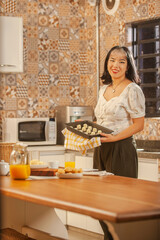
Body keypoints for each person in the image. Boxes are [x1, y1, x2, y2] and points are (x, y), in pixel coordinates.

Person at [93, 46, 145, 240]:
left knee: (119, 205)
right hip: (101, 149)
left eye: (122, 61)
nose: (115, 65)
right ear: (107, 62)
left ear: (128, 65)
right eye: (112, 60)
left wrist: (115, 138)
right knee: (100, 204)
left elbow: (139, 125)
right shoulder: (103, 89)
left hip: (122, 149)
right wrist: (87, 127)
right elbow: (101, 120)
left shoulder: (133, 89)